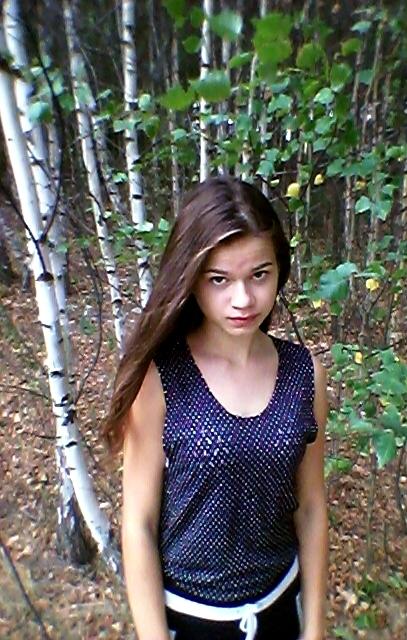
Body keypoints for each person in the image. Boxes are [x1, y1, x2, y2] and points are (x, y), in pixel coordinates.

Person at [102, 177, 329, 640]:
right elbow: (139, 524)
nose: (243, 299)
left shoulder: (304, 374)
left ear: (280, 269)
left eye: (259, 275)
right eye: (219, 279)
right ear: (191, 278)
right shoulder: (160, 378)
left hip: (281, 612)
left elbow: (310, 507)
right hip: (190, 620)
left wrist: (315, 629)